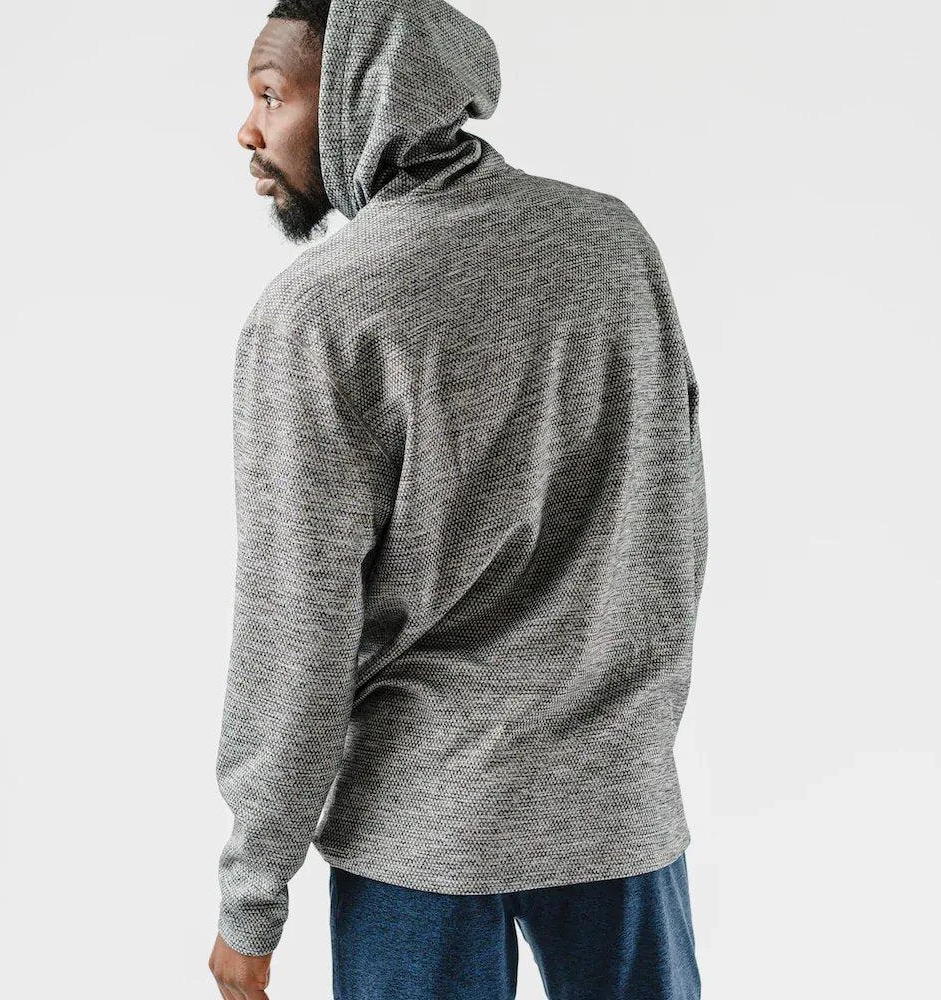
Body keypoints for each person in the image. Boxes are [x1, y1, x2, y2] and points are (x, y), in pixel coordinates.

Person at [207, 0, 709, 997]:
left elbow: (295, 628)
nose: (248, 131)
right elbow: (672, 524)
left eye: (271, 95)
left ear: (360, 95)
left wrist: (250, 897)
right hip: (616, 807)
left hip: (419, 834)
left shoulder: (319, 314)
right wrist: (626, 740)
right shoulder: (611, 245)